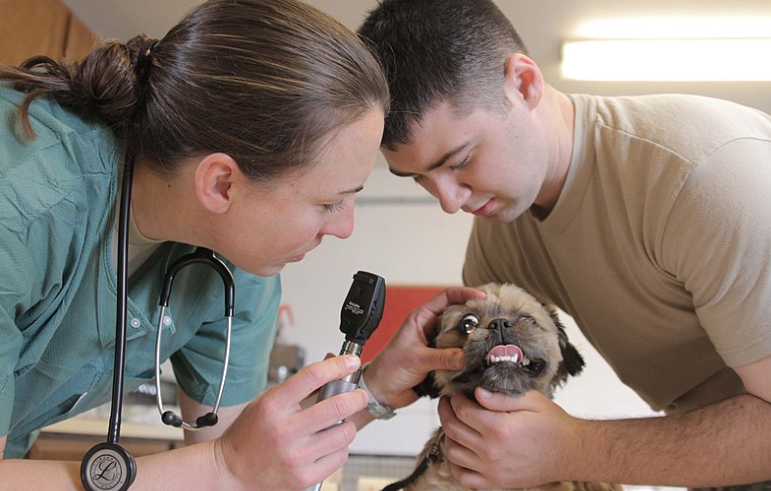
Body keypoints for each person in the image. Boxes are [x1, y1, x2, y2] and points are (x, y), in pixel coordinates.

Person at [0, 0, 485, 490]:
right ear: (222, 185)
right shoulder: (18, 203)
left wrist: (373, 386)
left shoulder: (237, 260)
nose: (344, 228)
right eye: (330, 202)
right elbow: (232, 465)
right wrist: (223, 469)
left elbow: (257, 456)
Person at [357, 0, 771, 489]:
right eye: (418, 178)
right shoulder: (501, 232)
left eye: (459, 159)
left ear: (525, 84)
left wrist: (577, 450)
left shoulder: (703, 179)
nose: (448, 201)